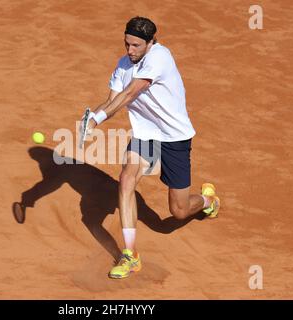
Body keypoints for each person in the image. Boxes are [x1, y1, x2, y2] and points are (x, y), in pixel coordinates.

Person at [81, 16, 220, 279]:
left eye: (135, 46)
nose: (129, 51)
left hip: (174, 137)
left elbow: (130, 94)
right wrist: (90, 119)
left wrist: (99, 119)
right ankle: (130, 255)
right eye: (126, 44)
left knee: (177, 212)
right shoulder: (123, 65)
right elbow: (111, 99)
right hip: (146, 134)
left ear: (151, 42)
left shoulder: (160, 57)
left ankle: (207, 201)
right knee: (125, 179)